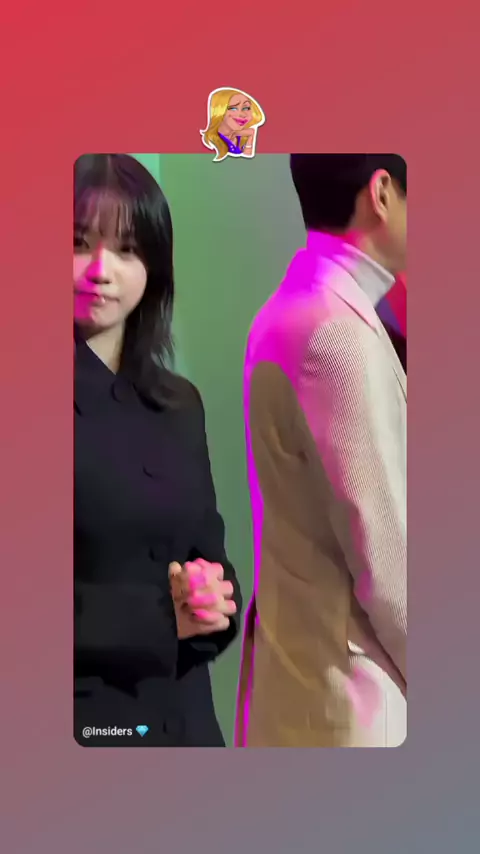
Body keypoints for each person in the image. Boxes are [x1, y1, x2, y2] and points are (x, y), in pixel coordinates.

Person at [236, 154, 407, 747]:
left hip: (309, 680)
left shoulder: (294, 304)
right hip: (354, 695)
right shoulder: (338, 329)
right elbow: (387, 564)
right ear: (381, 193)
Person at [74, 153, 242, 747]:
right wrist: (163, 618)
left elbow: (209, 552)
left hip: (187, 722)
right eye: (78, 243)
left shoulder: (179, 404)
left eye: (126, 249)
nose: (101, 270)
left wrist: (215, 600)